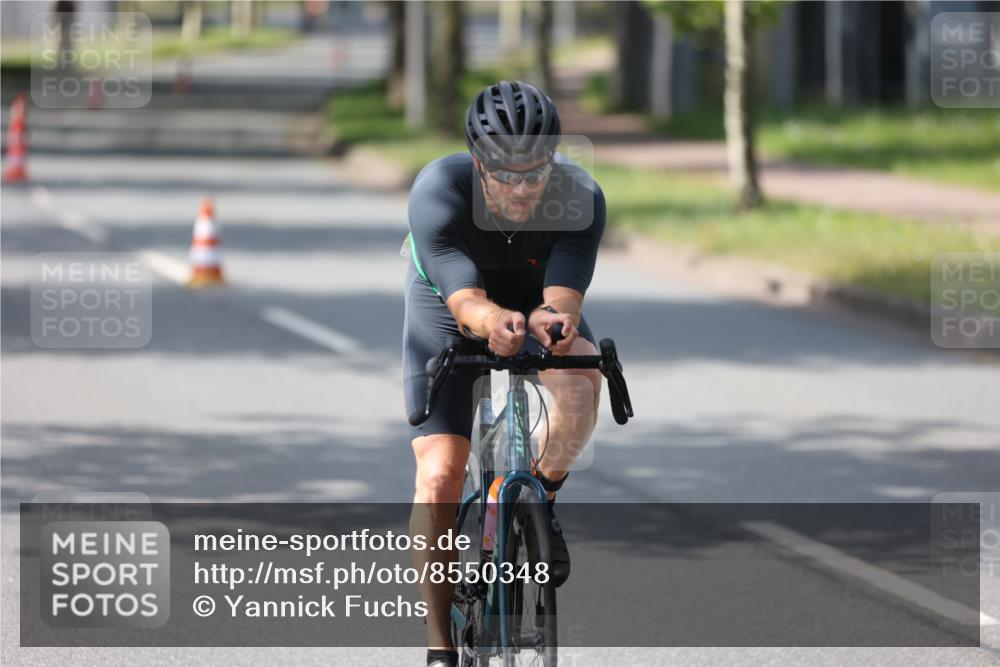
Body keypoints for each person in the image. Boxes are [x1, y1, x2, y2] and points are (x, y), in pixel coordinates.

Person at [403, 80, 606, 667]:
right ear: (478, 162)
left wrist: (553, 322)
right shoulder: (439, 189)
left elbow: (562, 298)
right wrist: (493, 319)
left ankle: (539, 495)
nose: (522, 189)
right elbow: (465, 302)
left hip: (534, 294)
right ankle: (439, 643)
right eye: (506, 175)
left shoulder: (578, 193)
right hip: (449, 303)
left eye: (535, 173)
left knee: (582, 383)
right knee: (439, 473)